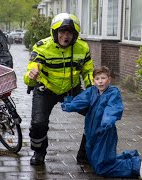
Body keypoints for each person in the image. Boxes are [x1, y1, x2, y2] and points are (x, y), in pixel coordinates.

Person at [23, 13, 94, 165]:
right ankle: (39, 152)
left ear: (75, 34)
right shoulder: (42, 47)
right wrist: (32, 74)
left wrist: (93, 90)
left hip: (71, 89)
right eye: (62, 32)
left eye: (69, 32)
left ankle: (85, 154)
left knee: (96, 112)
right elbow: (29, 73)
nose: (65, 36)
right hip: (46, 89)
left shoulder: (82, 47)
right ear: (55, 33)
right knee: (38, 124)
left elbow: (88, 71)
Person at [61, 66, 142, 179]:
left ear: (109, 79)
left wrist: (107, 121)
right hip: (91, 133)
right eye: (97, 78)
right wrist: (69, 105)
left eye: (103, 78)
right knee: (95, 160)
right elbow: (80, 101)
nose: (100, 81)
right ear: (93, 80)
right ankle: (130, 156)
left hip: (105, 132)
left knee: (102, 167)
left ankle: (134, 165)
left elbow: (112, 108)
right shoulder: (91, 91)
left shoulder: (113, 92)